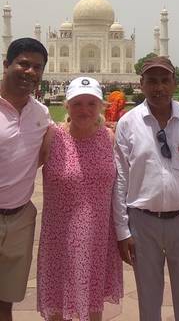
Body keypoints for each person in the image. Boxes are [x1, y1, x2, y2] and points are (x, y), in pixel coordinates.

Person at [113, 56, 179, 321]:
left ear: (174, 83)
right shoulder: (128, 123)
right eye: (152, 81)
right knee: (149, 298)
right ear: (141, 84)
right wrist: (122, 230)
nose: (159, 87)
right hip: (143, 222)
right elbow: (120, 179)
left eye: (165, 80)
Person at [37, 76, 123, 321]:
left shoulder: (110, 138)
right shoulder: (52, 137)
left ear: (101, 106)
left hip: (98, 236)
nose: (84, 110)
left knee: (93, 304)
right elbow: (19, 166)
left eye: (91, 103)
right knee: (58, 305)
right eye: (77, 103)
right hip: (59, 236)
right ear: (67, 106)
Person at [0, 37, 50, 321]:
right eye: (23, 64)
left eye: (37, 67)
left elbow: (44, 154)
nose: (30, 71)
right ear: (6, 64)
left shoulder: (41, 114)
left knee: (6, 302)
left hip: (19, 219)